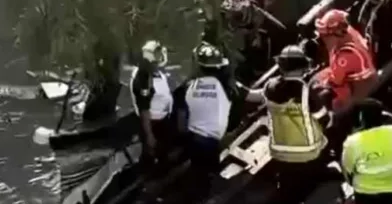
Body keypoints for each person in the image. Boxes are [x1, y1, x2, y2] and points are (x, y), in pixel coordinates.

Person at [245, 43, 332, 165]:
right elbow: (324, 119)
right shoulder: (306, 91)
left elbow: (251, 96)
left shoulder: (269, 87)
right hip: (308, 154)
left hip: (278, 153)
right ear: (303, 67)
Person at [174, 43, 235, 175]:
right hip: (215, 143)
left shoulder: (185, 89)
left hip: (194, 143)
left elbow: (181, 126)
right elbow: (253, 96)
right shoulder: (228, 87)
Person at [313, 8, 377, 111]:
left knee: (323, 92)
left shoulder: (345, 55)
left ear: (337, 33)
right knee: (318, 78)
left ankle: (335, 119)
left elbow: (336, 81)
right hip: (362, 72)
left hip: (360, 86)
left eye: (326, 35)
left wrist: (322, 83)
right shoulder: (348, 32)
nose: (324, 38)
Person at [131, 39, 174, 167]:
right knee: (151, 156)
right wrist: (149, 135)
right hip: (152, 124)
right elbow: (144, 108)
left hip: (162, 121)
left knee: (163, 155)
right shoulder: (143, 77)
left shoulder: (156, 72)